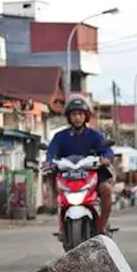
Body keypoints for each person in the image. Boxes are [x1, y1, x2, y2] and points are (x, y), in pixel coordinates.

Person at [46, 95, 114, 232]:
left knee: (107, 189)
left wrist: (106, 158)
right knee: (51, 180)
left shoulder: (94, 135)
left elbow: (107, 150)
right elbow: (51, 152)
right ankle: (58, 218)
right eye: (74, 114)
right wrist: (48, 162)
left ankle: (102, 226)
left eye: (80, 114)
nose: (77, 117)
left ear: (86, 116)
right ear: (68, 117)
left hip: (92, 172)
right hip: (67, 174)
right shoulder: (60, 137)